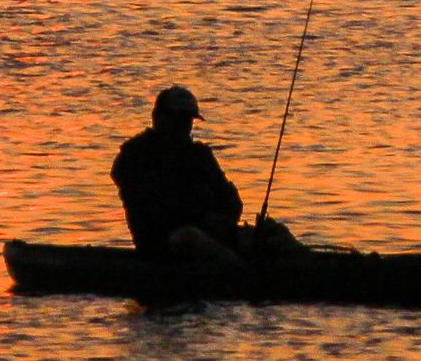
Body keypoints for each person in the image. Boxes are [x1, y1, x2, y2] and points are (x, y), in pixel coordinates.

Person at [111, 86, 296, 263]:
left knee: (270, 234)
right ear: (158, 118)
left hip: (210, 233)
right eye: (178, 119)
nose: (183, 126)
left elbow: (231, 199)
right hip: (163, 244)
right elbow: (152, 208)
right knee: (189, 237)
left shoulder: (200, 155)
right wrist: (201, 219)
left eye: (187, 121)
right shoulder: (135, 154)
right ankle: (244, 276)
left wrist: (224, 221)